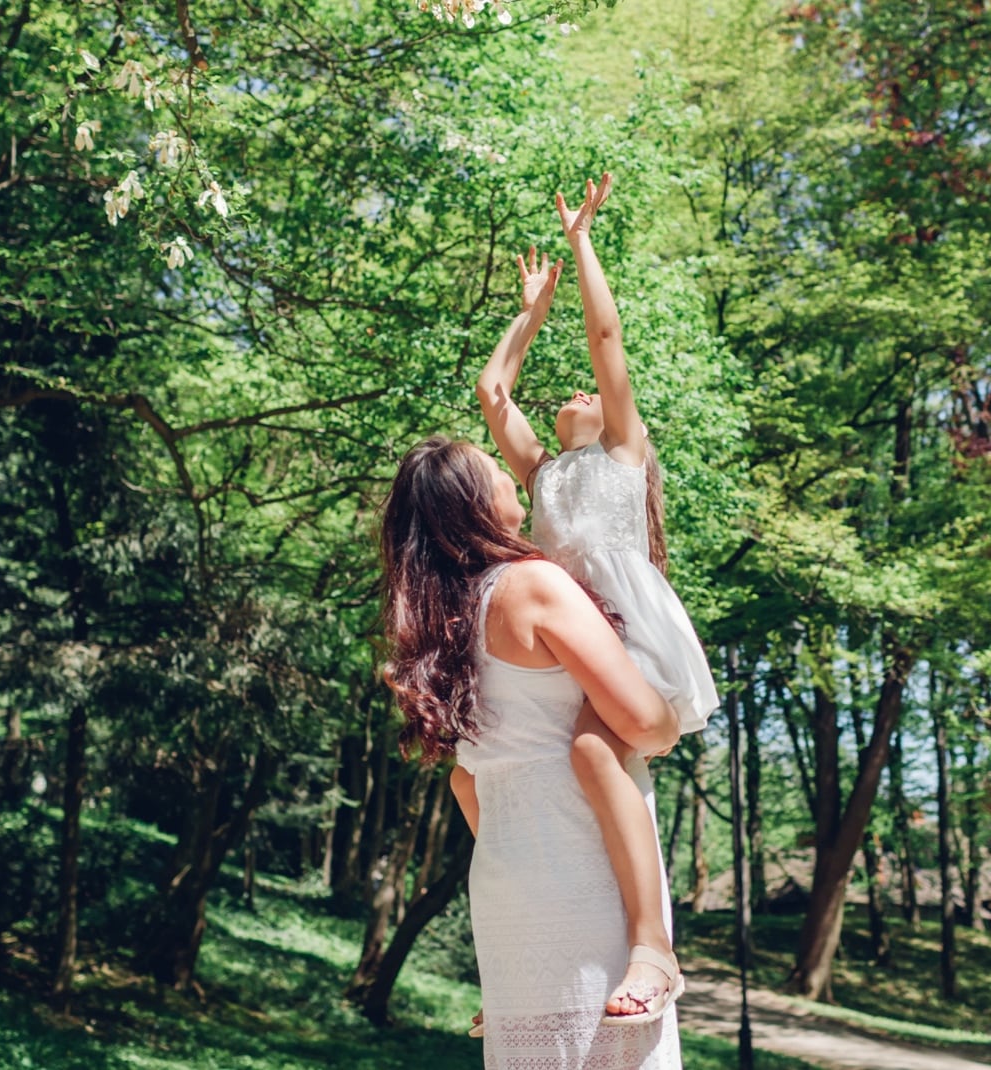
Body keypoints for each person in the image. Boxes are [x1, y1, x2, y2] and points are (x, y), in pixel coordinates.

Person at [453, 173, 719, 1029]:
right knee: (470, 776)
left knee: (596, 756)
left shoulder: (622, 457)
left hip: (627, 644)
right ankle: (522, 961)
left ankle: (654, 949)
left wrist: (582, 244)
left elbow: (607, 336)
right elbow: (495, 393)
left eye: (588, 396)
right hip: (573, 647)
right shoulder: (542, 475)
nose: (575, 392)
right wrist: (530, 310)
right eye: (564, 394)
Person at [381, 435, 683, 1068]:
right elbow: (652, 727)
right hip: (584, 864)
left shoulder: (439, 623)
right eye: (494, 469)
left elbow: (468, 780)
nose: (508, 474)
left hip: (506, 883)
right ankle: (654, 950)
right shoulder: (534, 586)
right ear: (474, 502)